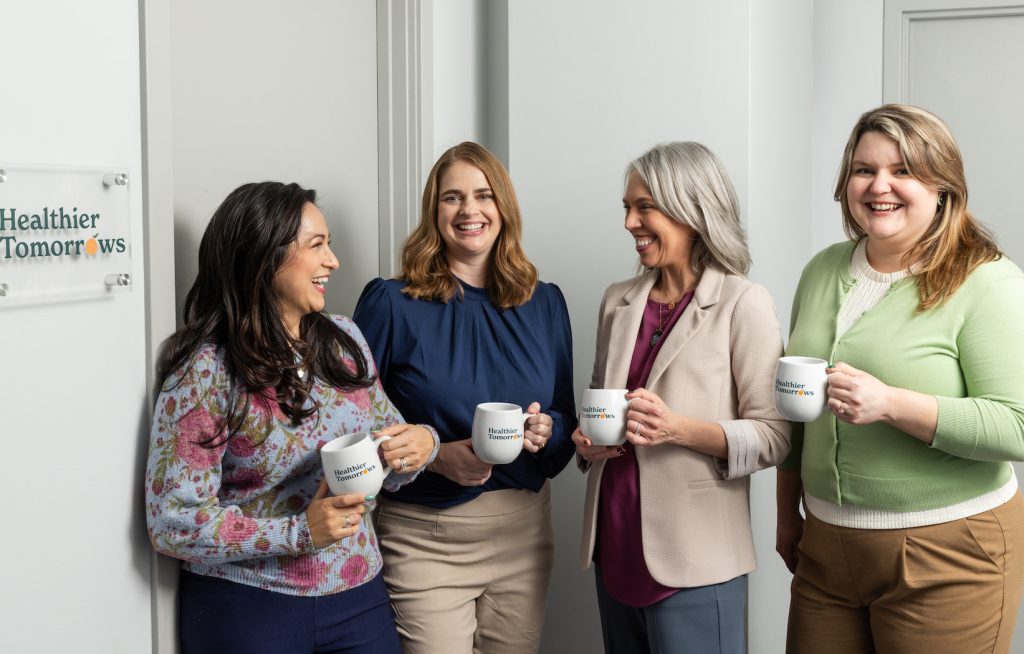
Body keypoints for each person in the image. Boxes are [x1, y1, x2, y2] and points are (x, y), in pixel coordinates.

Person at [144, 181, 439, 653]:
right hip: (249, 608)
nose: (333, 261)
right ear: (264, 256)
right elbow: (172, 520)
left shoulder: (345, 339)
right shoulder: (205, 369)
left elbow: (386, 453)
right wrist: (298, 533)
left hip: (358, 594)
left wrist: (421, 444)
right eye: (317, 245)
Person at [777, 104, 1024, 653]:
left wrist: (890, 404)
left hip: (951, 551)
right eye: (864, 169)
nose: (879, 186)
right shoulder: (821, 269)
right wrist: (785, 512)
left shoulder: (989, 282)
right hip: (825, 544)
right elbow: (796, 410)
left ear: (943, 186)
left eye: (903, 170)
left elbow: (1017, 426)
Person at [352, 141, 576, 653]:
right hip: (425, 538)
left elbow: (565, 415)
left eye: (483, 195)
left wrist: (550, 431)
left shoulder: (546, 303)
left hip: (524, 534)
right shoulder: (391, 303)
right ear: (435, 212)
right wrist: (433, 456)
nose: (470, 210)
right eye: (452, 198)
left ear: (504, 207)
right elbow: (349, 423)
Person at [573, 141, 790, 654]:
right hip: (614, 545)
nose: (629, 221)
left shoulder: (744, 303)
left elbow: (776, 436)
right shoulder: (616, 301)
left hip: (696, 557)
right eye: (627, 207)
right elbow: (599, 406)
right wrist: (586, 444)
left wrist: (679, 429)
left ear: (692, 211)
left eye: (644, 206)